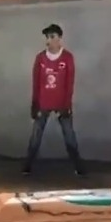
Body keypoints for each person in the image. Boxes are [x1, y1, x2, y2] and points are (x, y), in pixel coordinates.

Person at [22, 23, 86, 177]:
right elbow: (36, 82)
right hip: (43, 103)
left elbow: (69, 83)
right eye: (47, 37)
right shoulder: (40, 58)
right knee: (36, 136)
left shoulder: (67, 58)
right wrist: (35, 104)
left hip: (61, 104)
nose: (49, 40)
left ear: (59, 39)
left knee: (69, 136)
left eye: (52, 37)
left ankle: (78, 167)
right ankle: (27, 166)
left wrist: (66, 106)